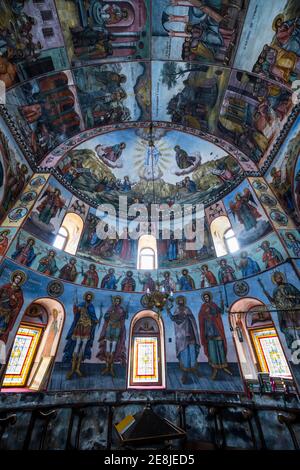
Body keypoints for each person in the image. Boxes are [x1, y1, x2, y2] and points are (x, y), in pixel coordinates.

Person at [258, 271, 300, 350]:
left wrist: (290, 296)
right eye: (276, 278)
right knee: (289, 331)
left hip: (295, 310)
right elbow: (274, 303)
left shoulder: (289, 286)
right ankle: (294, 349)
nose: (279, 278)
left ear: (282, 277)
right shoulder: (275, 290)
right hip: (284, 313)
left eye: (279, 277)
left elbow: (298, 295)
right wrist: (267, 295)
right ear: (274, 280)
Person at [63, 292, 99, 379]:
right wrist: (75, 306)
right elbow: (76, 312)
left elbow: (93, 316)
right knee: (77, 345)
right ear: (85, 297)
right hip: (80, 325)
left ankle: (78, 368)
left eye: (90, 297)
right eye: (88, 296)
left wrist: (96, 320)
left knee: (83, 347)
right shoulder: (81, 304)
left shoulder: (91, 306)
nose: (89, 298)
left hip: (88, 326)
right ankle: (72, 368)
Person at [198, 291, 232, 380]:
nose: (206, 299)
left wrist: (221, 304)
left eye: (207, 297)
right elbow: (201, 317)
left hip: (216, 328)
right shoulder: (203, 307)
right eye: (204, 298)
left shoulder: (213, 304)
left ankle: (223, 365)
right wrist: (205, 314)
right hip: (208, 330)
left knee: (220, 347)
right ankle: (214, 368)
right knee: (212, 349)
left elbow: (220, 311)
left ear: (209, 297)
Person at [168, 296, 201, 384]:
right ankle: (185, 371)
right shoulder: (177, 310)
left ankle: (194, 368)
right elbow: (174, 319)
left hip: (191, 333)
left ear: (184, 301)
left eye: (182, 300)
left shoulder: (187, 309)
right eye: (179, 300)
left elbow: (192, 319)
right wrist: (168, 311)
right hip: (182, 336)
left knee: (192, 352)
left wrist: (187, 317)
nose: (180, 301)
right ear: (177, 302)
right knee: (185, 352)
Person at [97, 296, 128, 376]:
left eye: (118, 301)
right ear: (114, 301)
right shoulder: (111, 308)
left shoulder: (121, 309)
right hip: (110, 326)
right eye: (116, 301)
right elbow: (105, 316)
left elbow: (125, 317)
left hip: (117, 327)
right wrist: (109, 313)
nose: (117, 302)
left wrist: (125, 312)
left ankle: (111, 368)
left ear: (119, 302)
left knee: (113, 347)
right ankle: (107, 367)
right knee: (107, 346)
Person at [0, 270, 26, 344]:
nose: (17, 280)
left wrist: (15, 299)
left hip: (8, 311)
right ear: (14, 278)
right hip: (1, 307)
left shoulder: (19, 291)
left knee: (2, 326)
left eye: (19, 279)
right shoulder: (6, 286)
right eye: (17, 278)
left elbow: (20, 302)